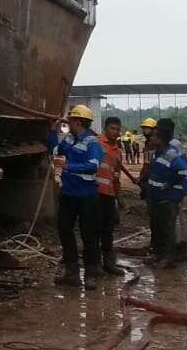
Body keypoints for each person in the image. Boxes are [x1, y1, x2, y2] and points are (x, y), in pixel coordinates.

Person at [48, 105, 105, 290]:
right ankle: (72, 273)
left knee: (89, 234)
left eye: (70, 120)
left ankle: (90, 274)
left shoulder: (92, 143)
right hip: (69, 194)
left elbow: (93, 166)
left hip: (87, 196)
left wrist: (68, 166)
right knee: (64, 229)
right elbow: (55, 149)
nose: (68, 123)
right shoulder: (70, 140)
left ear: (78, 122)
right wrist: (52, 131)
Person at [145, 120, 187, 268]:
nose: (150, 139)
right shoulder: (157, 153)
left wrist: (170, 184)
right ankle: (159, 254)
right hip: (157, 197)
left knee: (169, 227)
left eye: (153, 136)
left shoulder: (172, 152)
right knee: (158, 227)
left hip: (169, 197)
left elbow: (183, 172)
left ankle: (170, 257)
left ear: (160, 139)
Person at [96, 117, 128, 275]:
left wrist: (119, 197)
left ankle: (109, 263)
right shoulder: (96, 144)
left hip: (109, 196)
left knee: (108, 230)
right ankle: (94, 264)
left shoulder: (118, 152)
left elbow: (116, 177)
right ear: (105, 128)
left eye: (117, 129)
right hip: (95, 194)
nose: (115, 132)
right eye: (112, 128)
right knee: (94, 229)